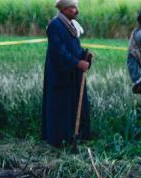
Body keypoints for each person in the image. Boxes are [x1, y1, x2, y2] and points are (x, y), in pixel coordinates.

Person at [42, 0, 92, 147]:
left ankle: (75, 135)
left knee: (74, 103)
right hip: (60, 74)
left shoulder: (71, 25)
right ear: (64, 9)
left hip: (72, 73)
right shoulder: (55, 26)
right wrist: (77, 63)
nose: (76, 11)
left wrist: (85, 55)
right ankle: (59, 140)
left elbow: (75, 48)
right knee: (61, 106)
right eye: (73, 8)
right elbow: (59, 51)